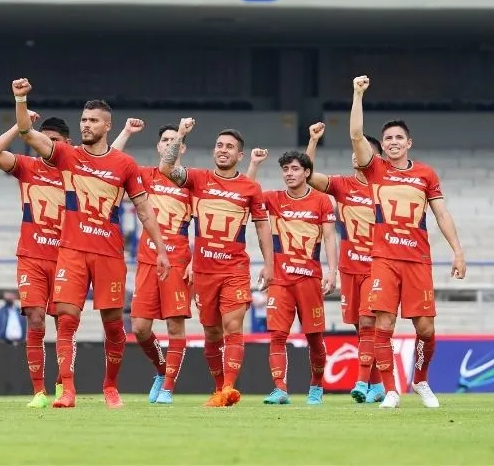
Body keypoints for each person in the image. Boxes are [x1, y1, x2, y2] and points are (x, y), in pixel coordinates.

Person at [12, 78, 170, 409]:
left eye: (93, 120)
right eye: (83, 120)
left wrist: (161, 249)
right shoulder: (67, 155)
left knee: (113, 324)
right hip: (71, 251)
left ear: (107, 126)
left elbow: (144, 209)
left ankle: (110, 387)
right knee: (67, 319)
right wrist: (20, 99)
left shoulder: (124, 165)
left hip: (109, 253)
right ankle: (66, 389)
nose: (86, 125)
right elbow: (27, 132)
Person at [349, 75, 465, 409]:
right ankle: (391, 390)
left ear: (409, 143)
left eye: (400, 137)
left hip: (418, 260)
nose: (394, 141)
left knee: (425, 328)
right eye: (388, 138)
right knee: (383, 323)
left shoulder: (426, 174)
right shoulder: (375, 169)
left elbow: (441, 214)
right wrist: (358, 94)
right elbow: (356, 134)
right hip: (383, 258)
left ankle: (420, 379)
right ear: (382, 145)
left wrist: (457, 251)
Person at [159, 119, 274, 407]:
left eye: (230, 147)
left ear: (240, 155)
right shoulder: (197, 178)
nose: (223, 150)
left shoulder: (250, 188)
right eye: (220, 146)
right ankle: (219, 386)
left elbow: (261, 227)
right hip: (203, 269)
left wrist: (269, 263)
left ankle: (228, 388)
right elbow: (165, 169)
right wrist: (182, 133)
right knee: (211, 331)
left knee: (233, 327)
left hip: (234, 268)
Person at [0, 110, 69, 408]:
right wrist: (20, 127)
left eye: (55, 140)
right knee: (35, 319)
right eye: (43, 138)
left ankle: (64, 384)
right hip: (31, 257)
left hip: (65, 259)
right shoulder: (27, 166)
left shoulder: (75, 171)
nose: (48, 144)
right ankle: (39, 392)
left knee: (64, 321)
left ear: (66, 143)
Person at [110, 119, 193, 405]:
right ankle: (161, 370)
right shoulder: (145, 175)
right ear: (158, 146)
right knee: (140, 328)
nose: (169, 144)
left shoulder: (190, 181)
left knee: (174, 328)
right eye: (165, 140)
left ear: (183, 146)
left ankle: (168, 387)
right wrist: (127, 133)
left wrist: (195, 262)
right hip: (147, 261)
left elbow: (205, 224)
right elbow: (107, 164)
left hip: (178, 261)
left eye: (175, 140)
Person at [304, 121, 386, 403]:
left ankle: (361, 383)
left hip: (377, 268)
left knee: (366, 322)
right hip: (350, 269)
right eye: (354, 151)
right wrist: (313, 141)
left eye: (362, 150)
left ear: (374, 158)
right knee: (359, 327)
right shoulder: (342, 185)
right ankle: (376, 385)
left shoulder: (385, 188)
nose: (356, 155)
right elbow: (308, 175)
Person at [247, 149, 338, 405]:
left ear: (307, 172)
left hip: (310, 278)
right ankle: (279, 389)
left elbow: (330, 237)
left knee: (314, 337)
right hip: (281, 279)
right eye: (286, 169)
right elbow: (246, 193)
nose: (289, 174)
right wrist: (254, 163)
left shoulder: (321, 201)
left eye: (295, 168)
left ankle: (316, 387)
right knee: (277, 335)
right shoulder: (273, 198)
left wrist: (332, 271)